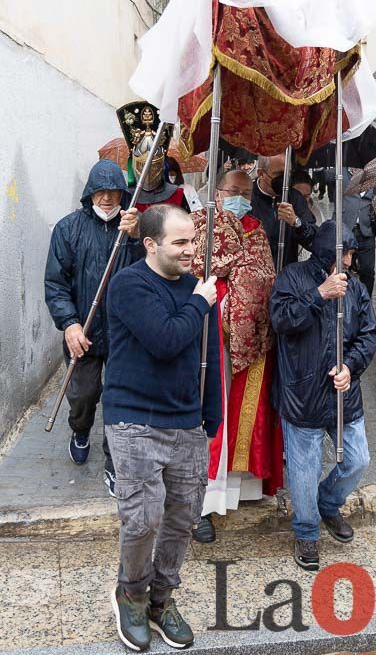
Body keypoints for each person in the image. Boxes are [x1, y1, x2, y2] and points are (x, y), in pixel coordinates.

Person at [102, 204, 222, 651]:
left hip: (186, 420)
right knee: (143, 516)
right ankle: (131, 593)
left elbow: (207, 358)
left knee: (184, 515)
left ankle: (162, 598)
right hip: (133, 416)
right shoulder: (129, 285)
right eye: (180, 242)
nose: (192, 250)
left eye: (194, 240)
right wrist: (200, 302)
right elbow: (167, 341)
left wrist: (211, 417)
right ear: (151, 244)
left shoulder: (197, 289)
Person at [270, 222, 376, 571]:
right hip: (302, 391)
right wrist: (319, 294)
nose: (350, 259)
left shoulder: (357, 288)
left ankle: (328, 503)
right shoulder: (292, 277)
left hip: (343, 393)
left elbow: (368, 334)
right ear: (326, 253)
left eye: (351, 253)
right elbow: (281, 319)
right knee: (304, 469)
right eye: (345, 253)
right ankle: (306, 530)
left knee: (358, 458)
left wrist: (351, 366)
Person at [189, 170, 284, 545]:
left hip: (251, 335)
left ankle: (238, 488)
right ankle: (203, 500)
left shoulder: (257, 228)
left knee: (243, 412)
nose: (240, 197)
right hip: (208, 333)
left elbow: (265, 274)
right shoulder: (200, 223)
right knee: (211, 412)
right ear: (217, 191)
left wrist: (244, 277)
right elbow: (196, 265)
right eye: (233, 191)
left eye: (246, 192)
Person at [44, 160, 141, 496]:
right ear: (89, 194)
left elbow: (150, 270)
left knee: (119, 400)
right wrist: (69, 324)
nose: (107, 198)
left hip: (123, 333)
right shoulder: (68, 229)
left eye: (113, 191)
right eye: (100, 191)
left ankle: (113, 462)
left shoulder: (131, 230)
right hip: (83, 330)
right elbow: (55, 284)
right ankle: (80, 428)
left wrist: (138, 238)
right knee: (84, 395)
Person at [252, 155, 317, 270]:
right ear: (261, 173)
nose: (284, 179)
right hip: (255, 272)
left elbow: (314, 240)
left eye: (287, 173)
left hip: (286, 273)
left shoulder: (294, 197)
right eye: (278, 174)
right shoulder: (248, 196)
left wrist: (297, 222)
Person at [339, 177, 376, 297]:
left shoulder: (374, 177)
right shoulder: (343, 173)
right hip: (346, 229)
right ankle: (346, 300)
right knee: (343, 267)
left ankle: (365, 300)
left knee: (368, 270)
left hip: (366, 231)